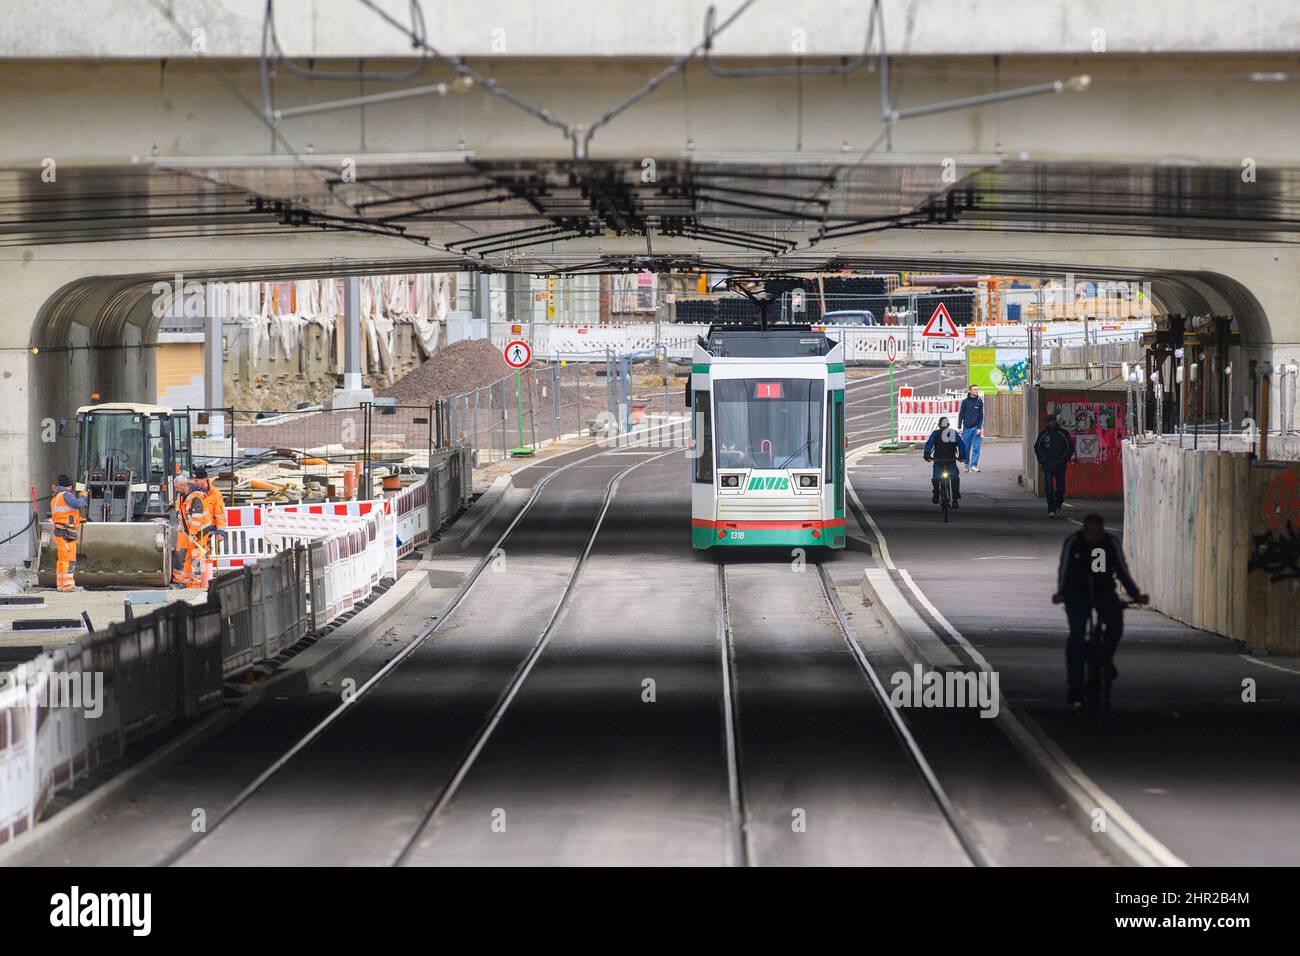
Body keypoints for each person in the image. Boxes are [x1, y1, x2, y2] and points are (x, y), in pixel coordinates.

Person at [1051, 514, 1149, 708]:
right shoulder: (1073, 542)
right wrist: (1062, 592)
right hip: (1077, 593)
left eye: (1097, 534)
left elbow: (1121, 570)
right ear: (1084, 530)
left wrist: (1135, 594)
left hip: (1104, 591)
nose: (1093, 538)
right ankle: (1075, 685)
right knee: (1077, 637)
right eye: (1090, 533)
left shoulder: (1110, 543)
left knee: (1115, 624)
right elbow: (1064, 569)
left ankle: (1106, 658)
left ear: (1102, 531)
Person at [49, 474, 87, 593]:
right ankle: (68, 586)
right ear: (69, 486)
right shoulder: (66, 494)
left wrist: (76, 520)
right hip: (66, 532)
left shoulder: (55, 497)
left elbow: (64, 514)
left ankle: (62, 585)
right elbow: (77, 504)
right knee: (68, 559)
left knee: (62, 559)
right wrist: (83, 497)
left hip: (62, 530)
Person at [1034, 412, 1076, 517]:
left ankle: (1058, 505)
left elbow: (1070, 447)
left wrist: (1064, 459)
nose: (1052, 422)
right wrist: (1042, 460)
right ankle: (1051, 510)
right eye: (1050, 421)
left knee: (1061, 488)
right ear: (1047, 423)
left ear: (1056, 421)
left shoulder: (1063, 433)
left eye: (1053, 420)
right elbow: (1037, 447)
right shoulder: (1043, 434)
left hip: (1060, 465)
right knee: (1049, 488)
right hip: (1048, 466)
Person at [923, 416, 967, 509]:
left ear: (939, 425)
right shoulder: (953, 433)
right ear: (949, 425)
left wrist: (927, 454)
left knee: (936, 479)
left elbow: (929, 444)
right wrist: (961, 456)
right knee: (954, 479)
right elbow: (961, 445)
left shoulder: (935, 433)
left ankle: (936, 492)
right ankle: (955, 499)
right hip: (951, 460)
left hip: (938, 461)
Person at [957, 385, 984, 472]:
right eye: (975, 389)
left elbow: (981, 416)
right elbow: (961, 414)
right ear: (970, 391)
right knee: (966, 448)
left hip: (976, 428)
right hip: (966, 428)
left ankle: (974, 465)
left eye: (977, 389)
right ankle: (966, 464)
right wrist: (959, 427)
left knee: (976, 448)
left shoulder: (979, 402)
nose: (977, 391)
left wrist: (979, 428)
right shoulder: (965, 402)